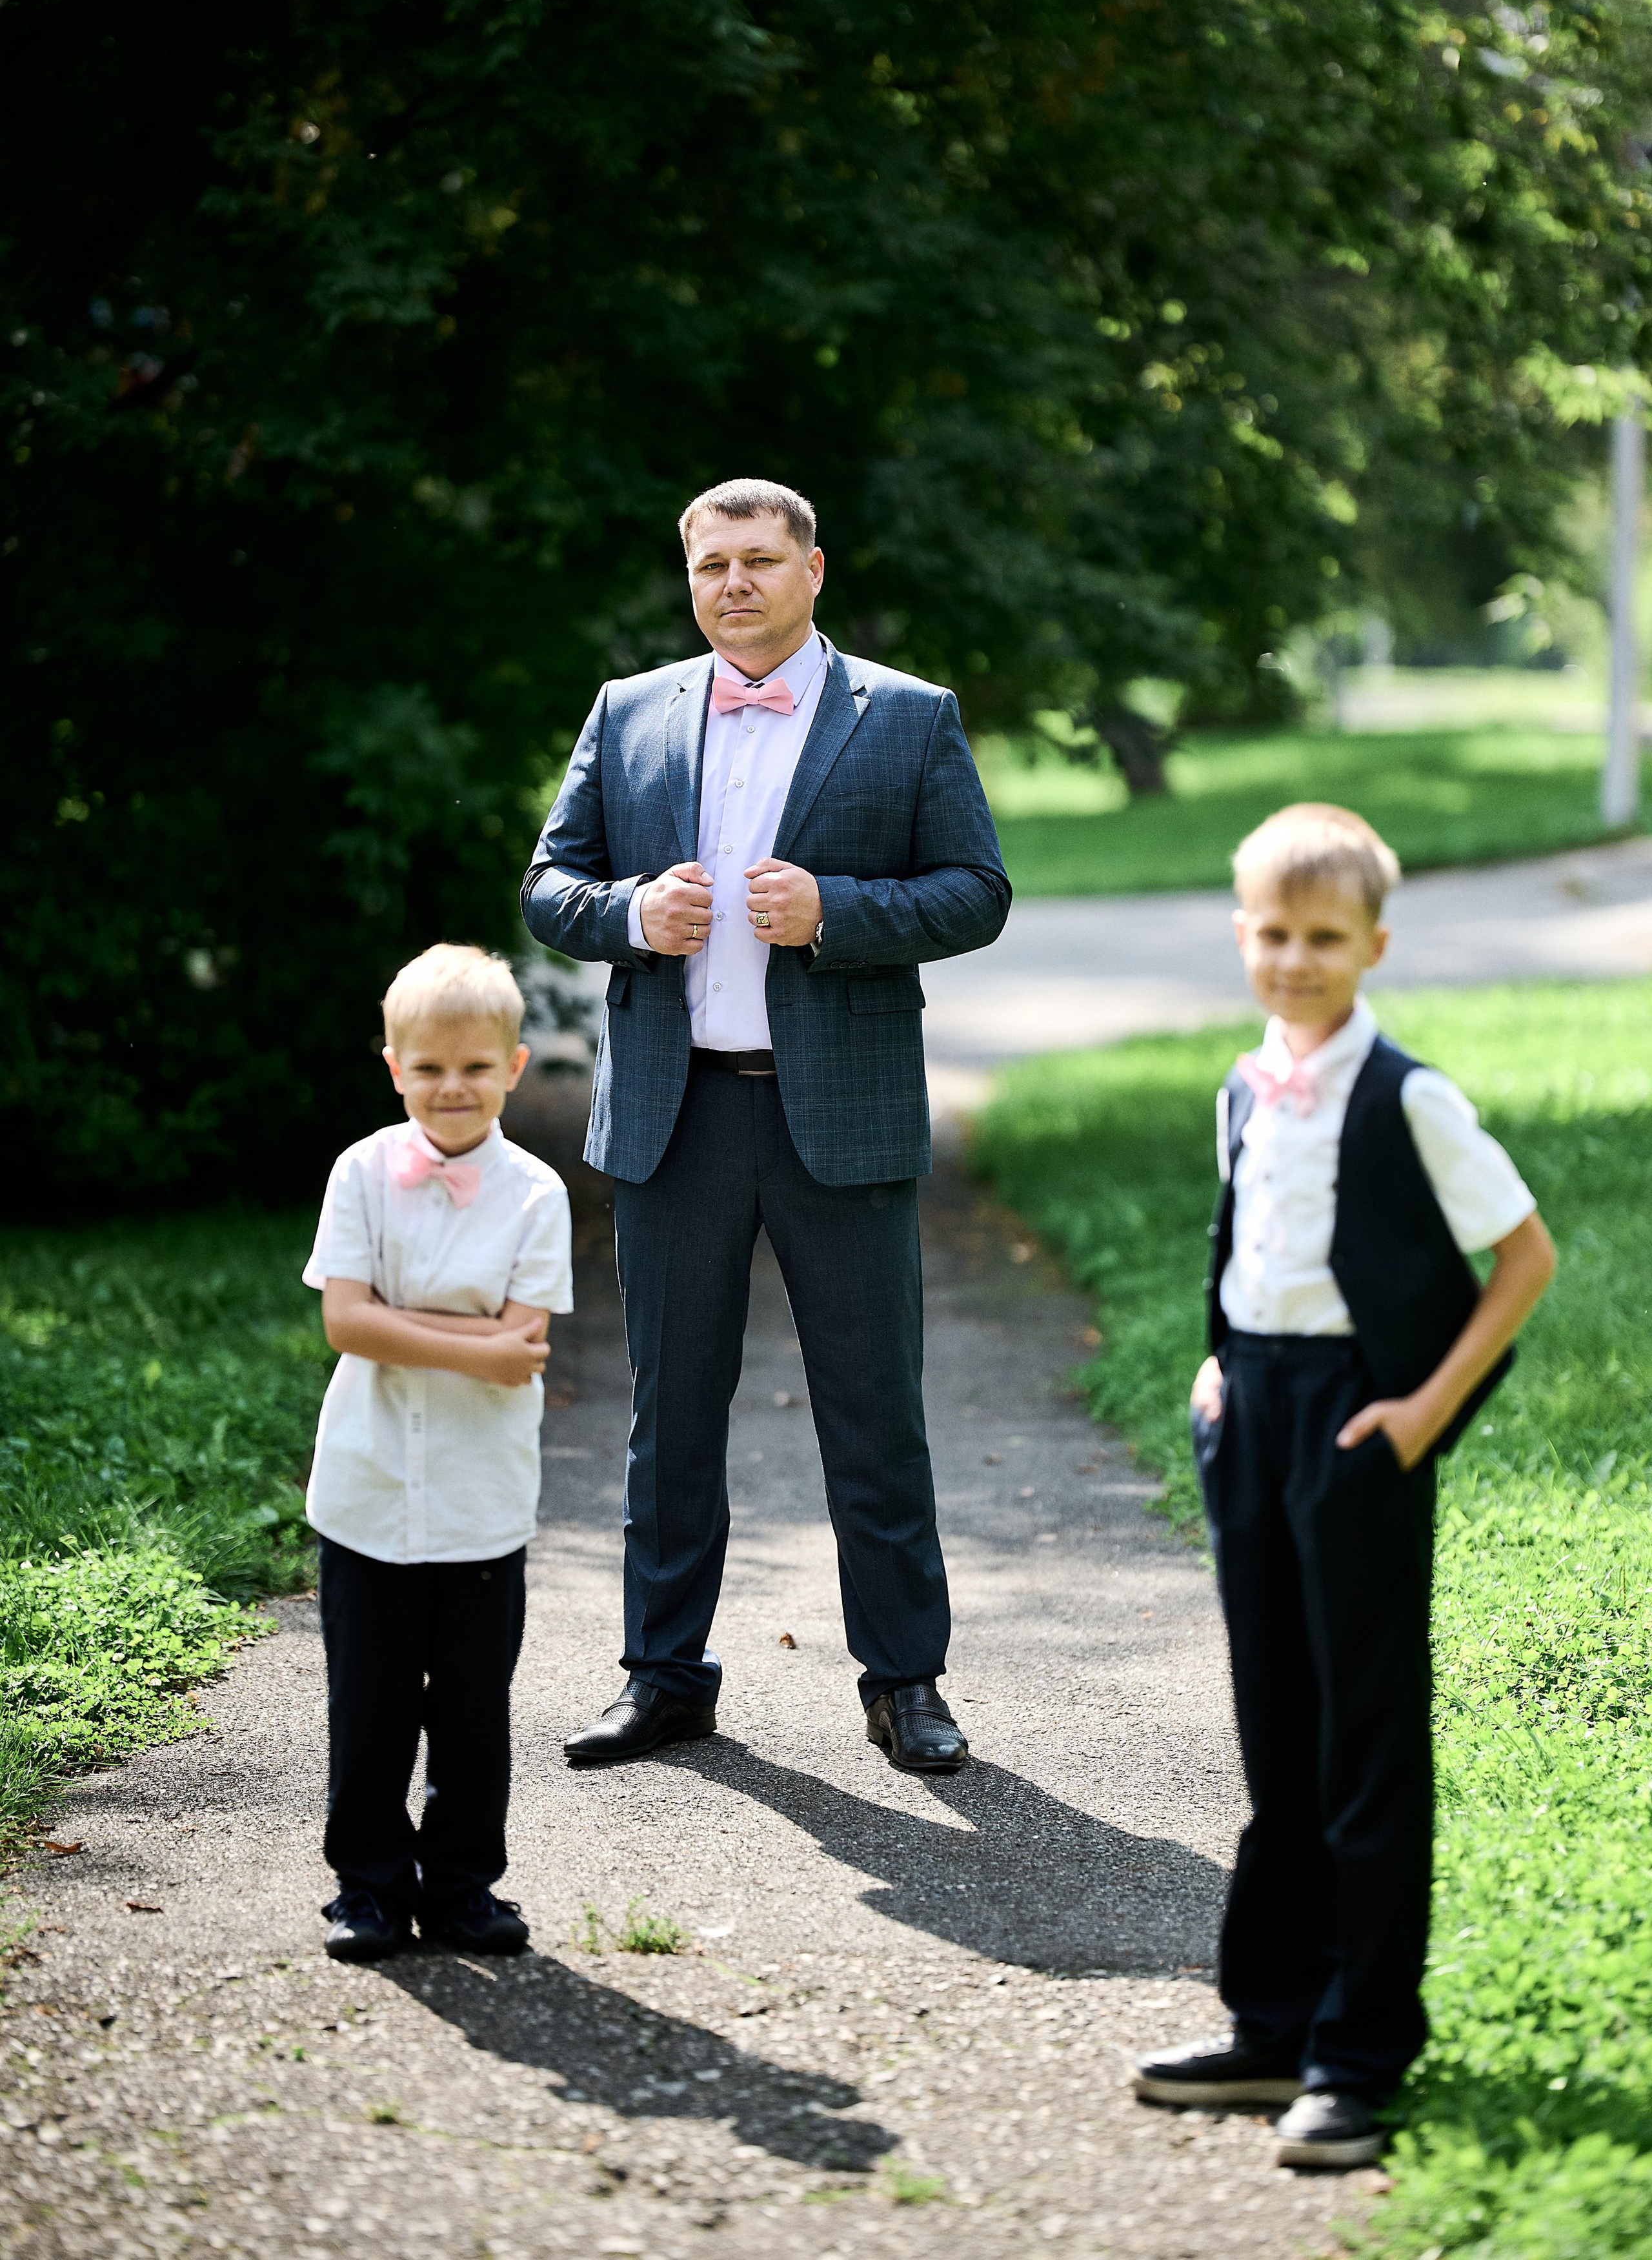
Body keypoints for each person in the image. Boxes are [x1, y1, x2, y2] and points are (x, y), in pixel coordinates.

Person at [521, 476, 1011, 1773]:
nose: (731, 583)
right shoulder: (628, 713)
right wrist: (630, 913)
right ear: (689, 578)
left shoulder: (905, 717)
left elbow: (976, 892)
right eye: (709, 564)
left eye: (756, 559)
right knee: (668, 1417)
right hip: (675, 1121)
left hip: (839, 1120)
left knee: (872, 1413)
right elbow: (549, 884)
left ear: (811, 569)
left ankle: (904, 1682)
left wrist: (836, 910)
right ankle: (663, 1677)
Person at [1133, 803, 1555, 2169]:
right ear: (1239, 936)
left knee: (1363, 1739)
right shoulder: (1241, 1083)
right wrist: (1214, 1363)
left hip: (1356, 1421)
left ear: (1371, 944)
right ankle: (1272, 2022)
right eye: (1270, 934)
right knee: (1275, 1725)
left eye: (1323, 937)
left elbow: (1524, 1258)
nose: (1294, 959)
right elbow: (1245, 1236)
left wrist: (1423, 1410)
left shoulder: (1409, 1097)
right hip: (1247, 1409)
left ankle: (1359, 2051)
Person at [302, 943, 574, 1963]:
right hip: (368, 1492)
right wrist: (477, 1343)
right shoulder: (361, 1174)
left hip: (478, 1501)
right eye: (429, 1068)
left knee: (471, 1713)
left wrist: (415, 1326)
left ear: (513, 1066)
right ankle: (367, 1888)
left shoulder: (536, 1195)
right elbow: (349, 1326)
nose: (451, 1088)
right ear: (395, 1068)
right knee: (369, 1710)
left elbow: (527, 1348)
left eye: (474, 1067)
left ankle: (462, 1889)